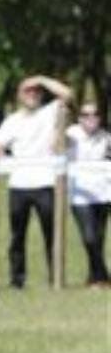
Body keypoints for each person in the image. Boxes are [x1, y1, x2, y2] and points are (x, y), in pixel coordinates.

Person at [0, 75, 73, 288]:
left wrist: (40, 79)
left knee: (51, 234)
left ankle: (55, 278)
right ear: (20, 96)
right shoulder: (12, 121)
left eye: (36, 92)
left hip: (46, 183)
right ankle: (17, 280)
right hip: (18, 185)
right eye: (28, 91)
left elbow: (67, 93)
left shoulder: (48, 112)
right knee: (17, 237)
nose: (32, 95)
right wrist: (3, 158)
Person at [66, 101, 110, 287]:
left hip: (104, 193)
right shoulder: (71, 135)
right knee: (89, 237)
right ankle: (104, 274)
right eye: (86, 114)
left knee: (98, 238)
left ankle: (95, 277)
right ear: (79, 118)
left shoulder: (106, 138)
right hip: (80, 195)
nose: (91, 118)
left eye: (95, 114)